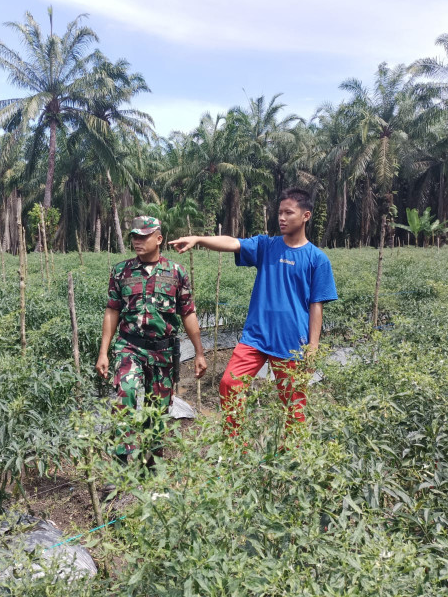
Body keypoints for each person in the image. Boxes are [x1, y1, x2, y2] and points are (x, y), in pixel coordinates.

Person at [169, 187, 337, 433]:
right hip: (256, 337)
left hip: (292, 342)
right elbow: (232, 242)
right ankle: (237, 445)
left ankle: (292, 457)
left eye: (288, 213)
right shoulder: (266, 246)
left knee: (293, 405)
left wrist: (312, 347)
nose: (281, 218)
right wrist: (198, 239)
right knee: (229, 384)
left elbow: (316, 305)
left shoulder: (317, 259)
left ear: (306, 216)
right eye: (279, 212)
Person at [96, 216, 207, 469]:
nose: (137, 241)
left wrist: (199, 353)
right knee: (126, 394)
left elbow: (188, 313)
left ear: (159, 239)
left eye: (143, 236)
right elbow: (112, 311)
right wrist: (103, 352)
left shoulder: (176, 273)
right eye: (134, 236)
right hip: (129, 346)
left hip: (163, 351)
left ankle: (151, 465)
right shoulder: (121, 271)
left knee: (157, 410)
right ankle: (122, 465)